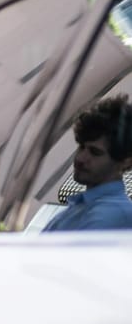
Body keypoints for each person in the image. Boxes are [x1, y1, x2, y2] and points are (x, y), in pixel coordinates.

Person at [43, 94, 132, 231]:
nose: (80, 158)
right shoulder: (80, 209)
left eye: (95, 152)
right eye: (81, 147)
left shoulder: (111, 215)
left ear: (125, 161)